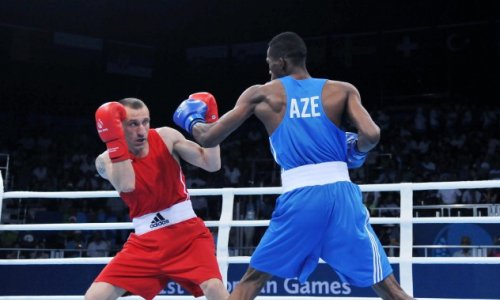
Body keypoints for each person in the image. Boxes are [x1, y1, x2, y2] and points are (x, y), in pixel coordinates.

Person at [174, 32, 414, 299]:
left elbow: (208, 137)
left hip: (301, 199)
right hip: (342, 196)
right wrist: (354, 150)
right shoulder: (342, 90)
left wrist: (192, 119)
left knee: (253, 280)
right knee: (388, 286)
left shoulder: (262, 95)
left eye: (269, 62)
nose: (268, 68)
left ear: (281, 62)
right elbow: (371, 135)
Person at [85, 97, 229, 300]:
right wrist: (115, 140)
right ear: (117, 126)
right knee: (95, 297)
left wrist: (212, 122)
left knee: (214, 287)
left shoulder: (166, 137)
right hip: (145, 243)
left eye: (145, 121)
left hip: (188, 235)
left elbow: (212, 164)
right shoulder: (105, 160)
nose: (141, 130)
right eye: (133, 124)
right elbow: (127, 184)